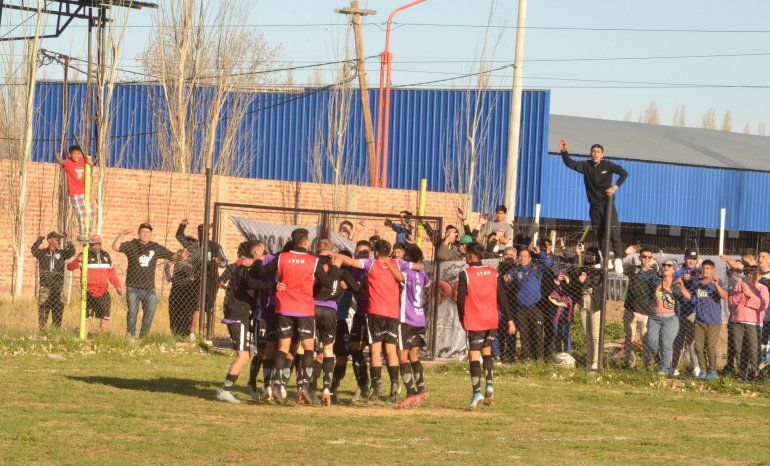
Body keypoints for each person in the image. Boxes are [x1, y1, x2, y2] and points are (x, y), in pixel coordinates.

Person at [253, 228, 334, 405]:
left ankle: (277, 385)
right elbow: (327, 283)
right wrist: (329, 269)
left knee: (283, 347)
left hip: (284, 307)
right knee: (308, 348)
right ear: (306, 242)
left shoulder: (281, 257)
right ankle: (304, 385)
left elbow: (263, 272)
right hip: (304, 308)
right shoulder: (313, 261)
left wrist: (259, 262)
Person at [334, 239, 412, 404]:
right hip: (369, 314)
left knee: (377, 351)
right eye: (359, 252)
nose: (362, 254)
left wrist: (331, 254)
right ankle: (364, 385)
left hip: (373, 313)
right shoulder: (363, 268)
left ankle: (377, 384)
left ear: (373, 252)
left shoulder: (369, 264)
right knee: (358, 350)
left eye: (365, 252)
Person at [216, 240, 283, 403]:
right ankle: (225, 389)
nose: (265, 255)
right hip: (238, 315)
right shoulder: (246, 268)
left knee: (245, 355)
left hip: (241, 314)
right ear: (256, 254)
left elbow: (258, 276)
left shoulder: (248, 266)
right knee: (243, 356)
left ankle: (227, 388)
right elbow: (254, 283)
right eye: (263, 252)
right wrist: (274, 285)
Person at [456, 242, 515, 411]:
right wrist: (510, 319)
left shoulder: (466, 273)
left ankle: (476, 393)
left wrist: (462, 318)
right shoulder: (493, 272)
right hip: (491, 320)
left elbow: (460, 300)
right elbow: (502, 297)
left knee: (474, 356)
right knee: (487, 351)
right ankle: (489, 385)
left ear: (470, 255)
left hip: (475, 320)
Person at [559, 139, 628, 273]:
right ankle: (605, 260)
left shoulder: (608, 165)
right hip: (594, 206)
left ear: (603, 155)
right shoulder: (586, 166)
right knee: (600, 234)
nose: (595, 154)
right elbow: (569, 163)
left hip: (607, 204)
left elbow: (624, 173)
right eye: (593, 151)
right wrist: (564, 151)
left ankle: (618, 260)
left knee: (613, 231)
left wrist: (615, 187)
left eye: (598, 152)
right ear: (590, 154)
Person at [308, 239, 360, 406]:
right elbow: (357, 288)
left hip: (332, 317)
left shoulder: (318, 265)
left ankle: (322, 387)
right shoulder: (336, 271)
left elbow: (357, 289)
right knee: (325, 351)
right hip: (330, 313)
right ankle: (324, 388)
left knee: (326, 353)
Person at [113, 223, 179, 339]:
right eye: (143, 231)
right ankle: (130, 334)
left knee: (150, 312)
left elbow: (171, 255)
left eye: (148, 232)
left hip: (149, 288)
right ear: (139, 233)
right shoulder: (132, 245)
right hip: (133, 287)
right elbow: (115, 247)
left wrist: (180, 255)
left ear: (150, 234)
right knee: (133, 312)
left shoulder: (155, 247)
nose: (145, 234)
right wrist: (122, 234)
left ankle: (144, 335)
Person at [176, 219, 228, 341]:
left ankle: (209, 334)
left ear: (209, 234)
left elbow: (224, 263)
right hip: (195, 279)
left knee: (210, 307)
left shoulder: (215, 246)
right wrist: (182, 225)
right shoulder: (193, 244)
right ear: (198, 233)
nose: (203, 235)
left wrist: (218, 261)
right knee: (195, 306)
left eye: (205, 233)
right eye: (200, 232)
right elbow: (179, 236)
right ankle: (193, 334)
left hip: (211, 280)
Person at [67, 236, 123, 335]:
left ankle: (103, 338)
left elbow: (112, 273)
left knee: (105, 317)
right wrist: (78, 260)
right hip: (88, 292)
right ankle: (84, 337)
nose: (96, 246)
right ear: (89, 245)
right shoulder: (84, 254)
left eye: (98, 244)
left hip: (103, 293)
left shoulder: (106, 255)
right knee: (86, 317)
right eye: (94, 244)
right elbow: (70, 267)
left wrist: (117, 286)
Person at [397, 244, 431, 409]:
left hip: (406, 319)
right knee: (414, 356)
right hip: (419, 318)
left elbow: (396, 267)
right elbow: (426, 284)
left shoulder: (406, 271)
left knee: (402, 357)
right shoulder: (423, 273)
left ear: (408, 257)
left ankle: (411, 393)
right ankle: (421, 388)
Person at [510, 246, 552, 361]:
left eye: (525, 256)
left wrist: (540, 253)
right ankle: (527, 358)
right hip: (521, 307)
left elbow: (548, 264)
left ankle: (539, 359)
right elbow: (507, 280)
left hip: (535, 306)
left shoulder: (535, 268)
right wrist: (506, 278)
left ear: (529, 258)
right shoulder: (515, 270)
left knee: (538, 333)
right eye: (521, 256)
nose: (523, 258)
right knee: (524, 334)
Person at [566, 245, 604, 371]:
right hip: (583, 302)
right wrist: (577, 255)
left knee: (595, 335)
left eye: (592, 254)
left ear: (597, 256)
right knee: (587, 334)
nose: (590, 256)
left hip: (594, 302)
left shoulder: (599, 269)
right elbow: (572, 272)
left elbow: (596, 283)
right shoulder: (583, 267)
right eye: (588, 253)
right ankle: (589, 360)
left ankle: (596, 361)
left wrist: (585, 281)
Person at [646, 259, 686, 377]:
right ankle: (661, 364)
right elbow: (649, 292)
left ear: (674, 269)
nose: (666, 267)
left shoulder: (676, 284)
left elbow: (682, 299)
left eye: (669, 265)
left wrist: (668, 291)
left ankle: (665, 369)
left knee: (666, 344)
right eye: (664, 265)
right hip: (655, 317)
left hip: (671, 319)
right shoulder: (655, 280)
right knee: (652, 343)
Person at [728, 266, 768, 381]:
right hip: (738, 321)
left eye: (754, 274)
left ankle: (754, 373)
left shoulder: (762, 288)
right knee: (738, 348)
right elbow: (731, 301)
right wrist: (741, 294)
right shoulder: (739, 286)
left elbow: (762, 305)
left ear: (759, 276)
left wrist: (750, 294)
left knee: (753, 348)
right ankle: (741, 373)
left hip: (753, 323)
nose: (751, 276)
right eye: (749, 274)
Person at [622, 247, 660, 368]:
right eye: (644, 256)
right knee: (629, 339)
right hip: (630, 309)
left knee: (646, 340)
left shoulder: (654, 274)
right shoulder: (633, 270)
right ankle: (628, 363)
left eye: (649, 257)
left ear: (652, 259)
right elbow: (618, 266)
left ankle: (646, 365)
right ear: (640, 257)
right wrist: (627, 254)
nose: (646, 259)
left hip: (645, 312)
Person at [692, 260, 729, 379]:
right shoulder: (697, 284)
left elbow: (725, 296)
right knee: (698, 346)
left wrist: (716, 284)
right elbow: (690, 296)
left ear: (713, 270)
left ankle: (712, 370)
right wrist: (682, 287)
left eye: (708, 268)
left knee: (710, 347)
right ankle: (703, 370)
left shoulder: (717, 282)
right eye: (703, 268)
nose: (705, 270)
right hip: (699, 321)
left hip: (714, 321)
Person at [31, 232, 75, 330]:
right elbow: (33, 251)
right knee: (43, 311)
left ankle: (55, 332)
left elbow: (72, 252)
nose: (58, 240)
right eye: (56, 238)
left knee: (58, 311)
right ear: (50, 240)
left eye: (59, 239)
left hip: (58, 288)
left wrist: (67, 240)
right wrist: (39, 240)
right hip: (45, 288)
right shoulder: (42, 253)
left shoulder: (62, 253)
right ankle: (42, 332)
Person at [56, 146, 95, 243]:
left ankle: (87, 234)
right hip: (75, 192)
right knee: (82, 213)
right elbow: (61, 162)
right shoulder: (68, 162)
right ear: (70, 154)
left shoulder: (84, 160)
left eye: (78, 153)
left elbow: (91, 166)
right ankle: (82, 235)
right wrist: (57, 157)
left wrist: (91, 163)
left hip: (85, 192)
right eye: (74, 154)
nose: (76, 156)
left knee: (91, 213)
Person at [672, 248, 700, 376]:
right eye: (689, 258)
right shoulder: (679, 271)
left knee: (692, 342)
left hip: (693, 310)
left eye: (694, 259)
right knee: (678, 341)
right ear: (685, 258)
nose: (691, 261)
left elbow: (700, 280)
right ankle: (674, 368)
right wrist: (684, 278)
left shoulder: (699, 272)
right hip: (679, 310)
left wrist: (692, 277)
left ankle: (695, 368)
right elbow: (675, 282)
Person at [164, 248, 199, 337]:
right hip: (176, 287)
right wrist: (168, 276)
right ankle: (175, 333)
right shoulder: (179, 253)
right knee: (174, 310)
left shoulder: (195, 256)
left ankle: (186, 333)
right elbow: (167, 265)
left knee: (187, 311)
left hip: (189, 288)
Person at [496, 247, 518, 362]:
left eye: (511, 254)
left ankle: (510, 356)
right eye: (507, 254)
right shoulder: (499, 268)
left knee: (511, 331)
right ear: (503, 256)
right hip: (499, 303)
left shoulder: (517, 268)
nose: (509, 256)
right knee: (499, 330)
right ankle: (499, 355)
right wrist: (501, 278)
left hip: (513, 302)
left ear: (515, 257)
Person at [548, 273, 573, 355]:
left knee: (566, 335)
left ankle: (568, 355)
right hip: (556, 315)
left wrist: (567, 281)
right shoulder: (555, 289)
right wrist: (560, 304)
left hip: (566, 316)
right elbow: (550, 297)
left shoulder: (570, 290)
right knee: (557, 335)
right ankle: (559, 355)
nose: (563, 279)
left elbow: (570, 290)